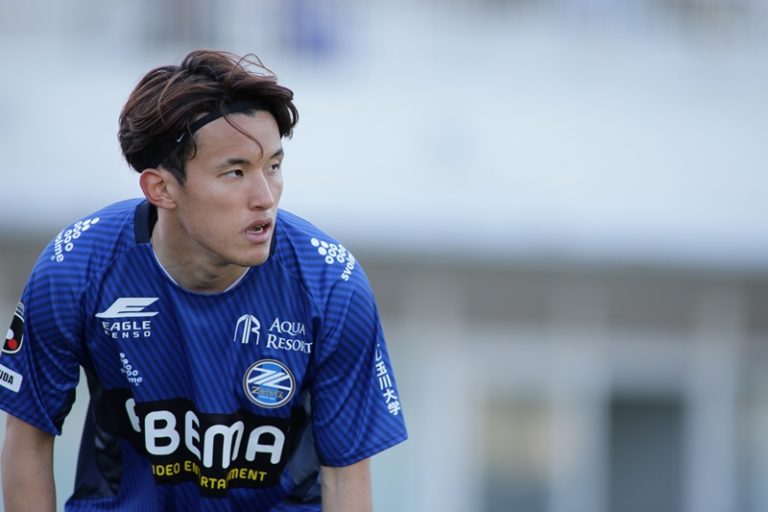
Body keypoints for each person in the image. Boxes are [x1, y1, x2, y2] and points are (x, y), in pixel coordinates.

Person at [0, 49, 407, 511]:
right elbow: (28, 438)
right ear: (161, 189)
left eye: (273, 167)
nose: (265, 197)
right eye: (235, 172)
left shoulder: (331, 284)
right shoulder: (75, 269)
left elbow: (346, 476)